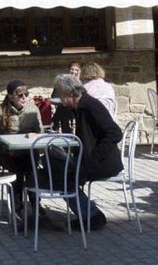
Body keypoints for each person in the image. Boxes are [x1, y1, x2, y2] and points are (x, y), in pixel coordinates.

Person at [50, 73, 122, 231]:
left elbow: (115, 133)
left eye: (60, 94)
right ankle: (87, 214)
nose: (59, 98)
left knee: (63, 179)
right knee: (55, 166)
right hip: (89, 159)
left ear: (69, 93)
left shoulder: (91, 106)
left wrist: (93, 157)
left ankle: (92, 217)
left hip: (103, 162)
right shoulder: (77, 108)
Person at [0, 80, 43, 216]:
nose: (24, 97)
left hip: (28, 151)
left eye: (26, 94)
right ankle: (17, 209)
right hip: (9, 154)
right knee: (17, 174)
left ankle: (36, 204)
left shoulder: (32, 110)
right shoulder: (1, 110)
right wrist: (2, 144)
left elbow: (40, 132)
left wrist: (35, 135)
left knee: (32, 172)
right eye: (20, 95)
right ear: (11, 96)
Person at [50, 61, 83, 132]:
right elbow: (54, 97)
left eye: (76, 70)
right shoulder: (63, 82)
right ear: (68, 70)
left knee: (62, 110)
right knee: (63, 109)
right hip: (65, 107)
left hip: (78, 109)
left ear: (80, 71)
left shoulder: (82, 84)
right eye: (72, 69)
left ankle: (54, 126)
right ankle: (65, 131)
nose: (74, 72)